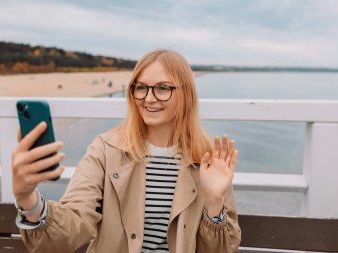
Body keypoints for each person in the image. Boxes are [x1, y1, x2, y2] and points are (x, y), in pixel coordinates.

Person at [12, 49, 241, 253]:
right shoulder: (105, 149)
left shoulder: (208, 158)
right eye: (140, 87)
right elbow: (70, 229)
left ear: (187, 94)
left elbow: (222, 249)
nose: (149, 98)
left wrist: (214, 202)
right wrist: (27, 198)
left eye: (163, 88)